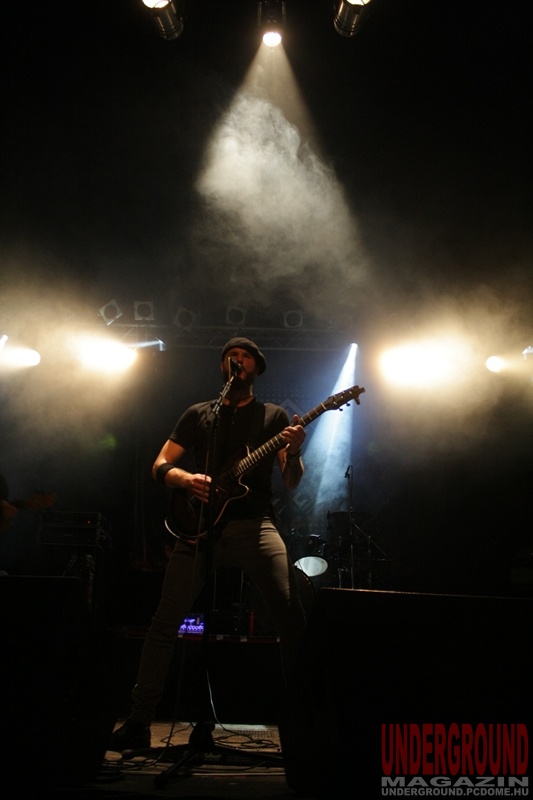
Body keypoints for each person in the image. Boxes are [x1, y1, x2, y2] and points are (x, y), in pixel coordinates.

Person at [110, 337, 308, 751]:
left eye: (246, 356)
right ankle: (139, 720)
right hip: (200, 527)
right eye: (231, 355)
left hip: (255, 526)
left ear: (257, 368)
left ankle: (308, 722)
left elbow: (291, 481)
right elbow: (160, 465)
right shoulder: (200, 413)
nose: (238, 359)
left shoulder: (272, 416)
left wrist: (294, 452)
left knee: (290, 615)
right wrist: (186, 479)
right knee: (165, 620)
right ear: (222, 366)